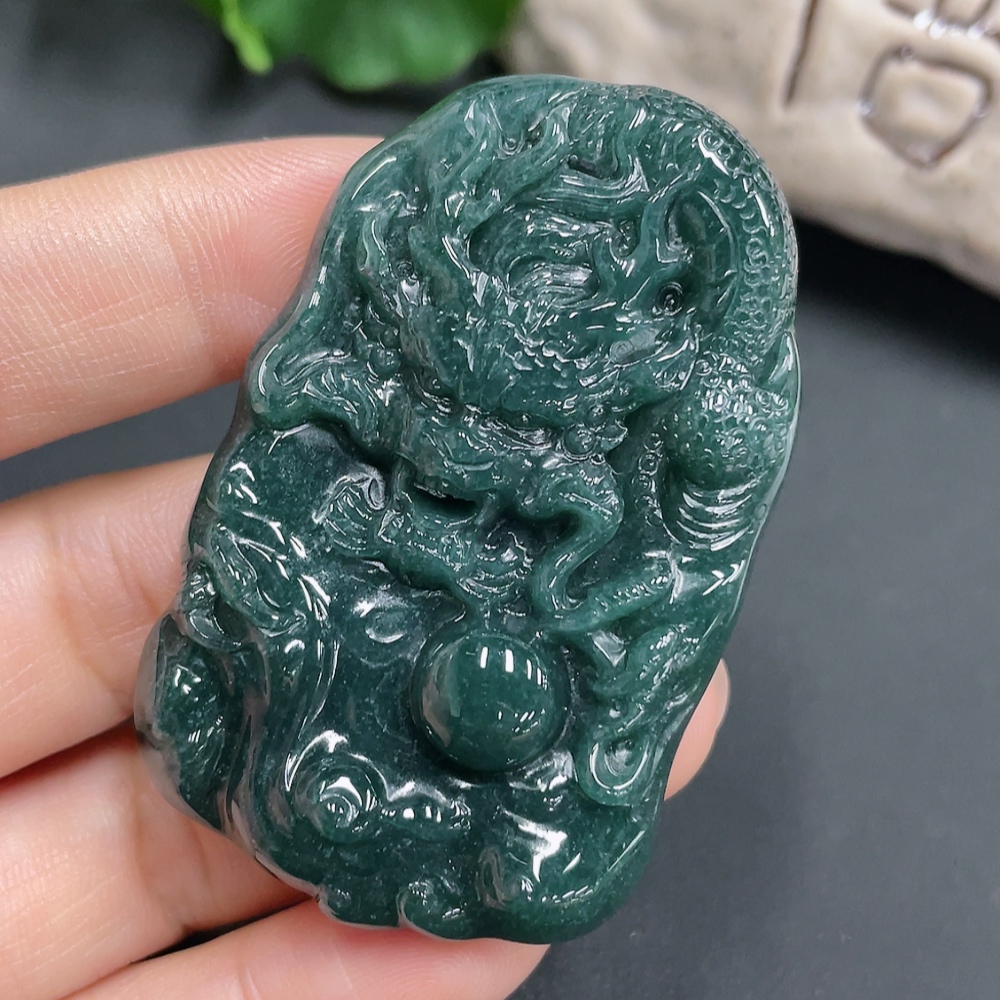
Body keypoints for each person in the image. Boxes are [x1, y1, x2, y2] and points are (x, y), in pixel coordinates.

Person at [0, 137, 730, 1000]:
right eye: (449, 404)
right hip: (294, 693)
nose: (469, 449)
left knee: (536, 851)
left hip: (442, 745)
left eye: (523, 429)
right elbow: (267, 529)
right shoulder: (332, 439)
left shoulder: (577, 525)